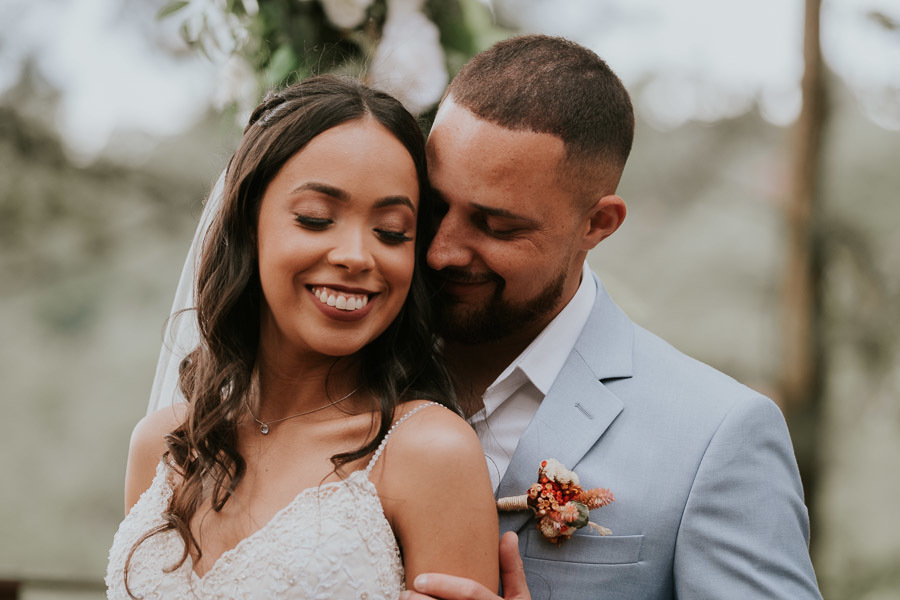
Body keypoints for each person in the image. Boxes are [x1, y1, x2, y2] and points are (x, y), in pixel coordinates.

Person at [401, 35, 822, 599]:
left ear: (597, 224)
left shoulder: (717, 436)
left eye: (497, 226)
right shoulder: (342, 368)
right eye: (434, 207)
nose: (440, 251)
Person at [106, 75, 498, 599]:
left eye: (391, 232)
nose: (357, 256)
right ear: (249, 222)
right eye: (316, 219)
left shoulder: (430, 453)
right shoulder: (164, 446)